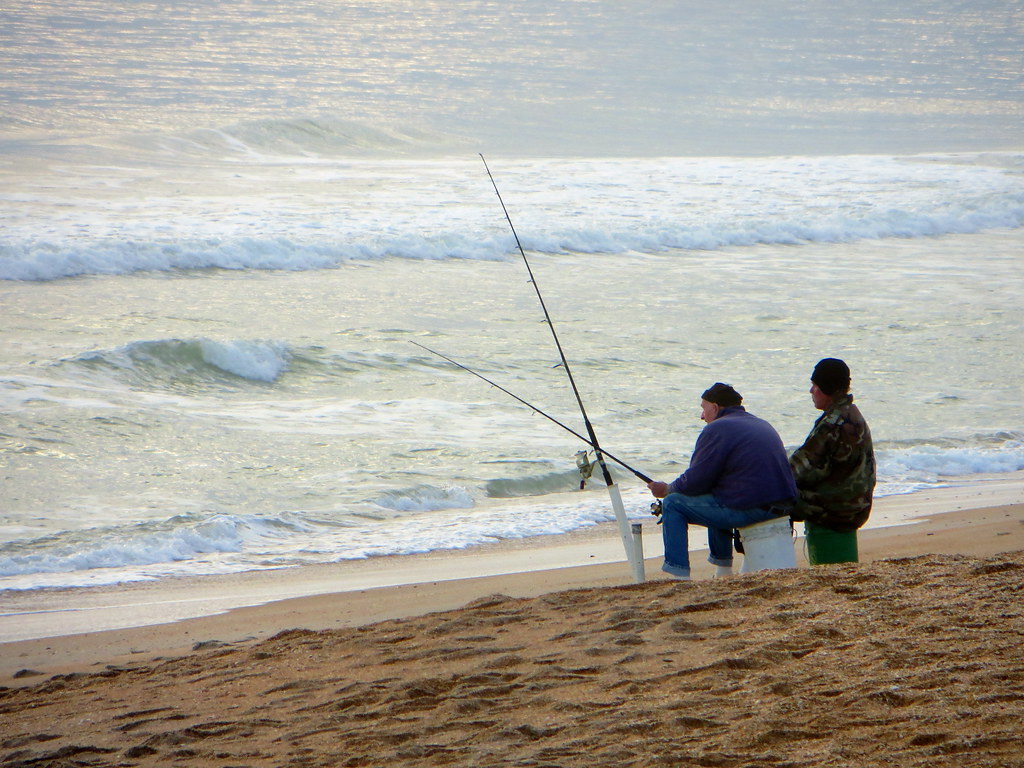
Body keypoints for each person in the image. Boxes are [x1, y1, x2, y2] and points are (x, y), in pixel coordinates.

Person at [647, 382, 797, 580]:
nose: (702, 416)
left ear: (715, 407)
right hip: (783, 506)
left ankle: (679, 576)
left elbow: (695, 481)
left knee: (673, 504)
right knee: (716, 495)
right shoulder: (760, 423)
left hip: (756, 509)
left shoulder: (717, 428)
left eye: (703, 409)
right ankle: (722, 571)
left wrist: (667, 489)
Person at [789, 358, 876, 533]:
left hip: (837, 512)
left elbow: (795, 470)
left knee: (768, 496)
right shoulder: (852, 414)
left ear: (827, 388)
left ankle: (772, 557)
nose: (811, 391)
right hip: (857, 507)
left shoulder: (832, 424)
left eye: (815, 385)